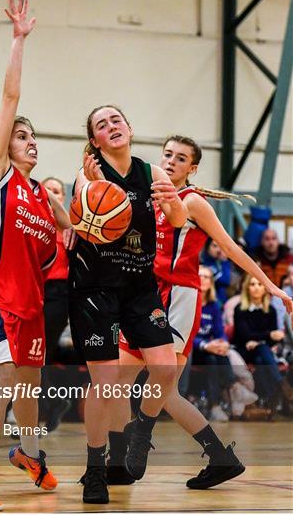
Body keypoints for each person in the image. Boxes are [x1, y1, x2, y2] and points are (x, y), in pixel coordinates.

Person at [114, 134, 293, 490]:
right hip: (144, 294)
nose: (171, 161)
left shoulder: (192, 201)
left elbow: (230, 248)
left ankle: (137, 438)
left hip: (178, 295)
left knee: (160, 383)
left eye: (181, 158)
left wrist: (270, 286)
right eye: (167, 154)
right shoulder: (144, 194)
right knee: (122, 382)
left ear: (192, 168)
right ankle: (220, 457)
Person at [0, 0, 74, 512]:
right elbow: (9, 99)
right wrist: (19, 40)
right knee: (3, 384)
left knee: (29, 391)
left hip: (30, 309)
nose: (29, 142)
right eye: (21, 136)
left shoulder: (42, 202)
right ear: (3, 147)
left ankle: (28, 455)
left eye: (33, 138)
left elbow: (75, 231)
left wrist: (72, 203)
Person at [69, 105, 187, 504]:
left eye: (116, 120)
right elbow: (87, 230)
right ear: (95, 141)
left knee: (167, 369)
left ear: (130, 129)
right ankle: (95, 468)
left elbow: (178, 218)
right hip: (96, 289)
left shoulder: (151, 172)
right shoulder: (86, 175)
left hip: (140, 287)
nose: (111, 126)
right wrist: (97, 189)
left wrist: (171, 199)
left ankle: (142, 430)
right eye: (101, 125)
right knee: (105, 385)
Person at [192, 266, 257, 421]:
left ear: (211, 282)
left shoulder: (214, 306)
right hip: (193, 350)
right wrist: (206, 345)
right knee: (213, 357)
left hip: (211, 351)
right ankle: (233, 390)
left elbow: (220, 331)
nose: (203, 279)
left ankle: (215, 406)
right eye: (199, 275)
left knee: (215, 358)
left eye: (207, 276)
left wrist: (223, 343)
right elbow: (185, 334)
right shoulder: (189, 302)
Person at [233, 275, 293, 408]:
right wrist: (267, 336)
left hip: (262, 352)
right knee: (263, 349)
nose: (256, 288)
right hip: (244, 350)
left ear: (265, 289)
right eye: (252, 284)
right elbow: (245, 335)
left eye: (260, 285)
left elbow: (273, 340)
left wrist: (260, 341)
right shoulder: (239, 309)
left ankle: (271, 399)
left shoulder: (270, 310)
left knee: (261, 357)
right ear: (247, 288)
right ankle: (281, 384)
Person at [40, 177, 71, 432]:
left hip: (58, 293)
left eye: (56, 190)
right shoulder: (31, 223)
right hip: (31, 292)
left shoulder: (69, 227)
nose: (51, 193)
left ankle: (52, 404)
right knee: (31, 358)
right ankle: (53, 403)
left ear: (63, 198)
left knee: (37, 355)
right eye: (46, 189)